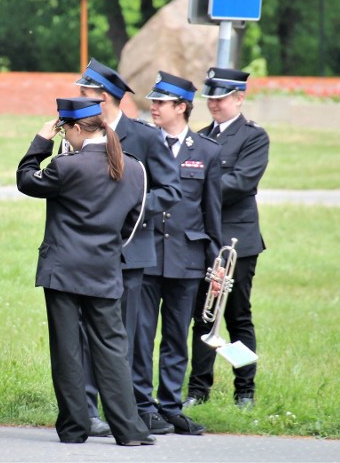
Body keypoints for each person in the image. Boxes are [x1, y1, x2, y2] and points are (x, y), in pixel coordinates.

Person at [16, 96, 153, 447]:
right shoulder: (134, 168)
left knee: (68, 349)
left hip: (63, 270)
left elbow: (26, 180)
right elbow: (132, 224)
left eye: (66, 130)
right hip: (105, 268)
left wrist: (41, 142)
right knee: (112, 348)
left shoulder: (66, 166)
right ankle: (130, 429)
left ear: (76, 128)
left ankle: (76, 427)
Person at [73, 58, 182, 436]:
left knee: (125, 336)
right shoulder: (79, 133)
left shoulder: (146, 137)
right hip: (86, 253)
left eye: (84, 94)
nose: (78, 100)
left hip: (129, 253)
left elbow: (171, 190)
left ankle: (131, 411)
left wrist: (131, 209)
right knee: (86, 333)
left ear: (103, 98)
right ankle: (87, 411)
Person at [132, 72, 222, 435]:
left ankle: (170, 406)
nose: (153, 107)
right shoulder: (142, 142)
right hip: (148, 253)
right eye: (153, 101)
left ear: (181, 107)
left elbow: (211, 212)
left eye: (161, 102)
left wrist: (215, 261)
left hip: (187, 257)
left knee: (176, 337)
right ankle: (141, 405)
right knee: (141, 334)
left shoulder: (207, 151)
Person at [186, 67, 270, 409]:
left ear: (239, 98)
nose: (214, 104)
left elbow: (241, 182)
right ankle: (197, 390)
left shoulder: (253, 136)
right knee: (204, 317)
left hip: (238, 241)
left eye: (221, 98)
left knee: (236, 316)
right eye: (211, 98)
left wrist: (195, 190)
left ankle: (244, 389)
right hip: (207, 238)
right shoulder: (201, 136)